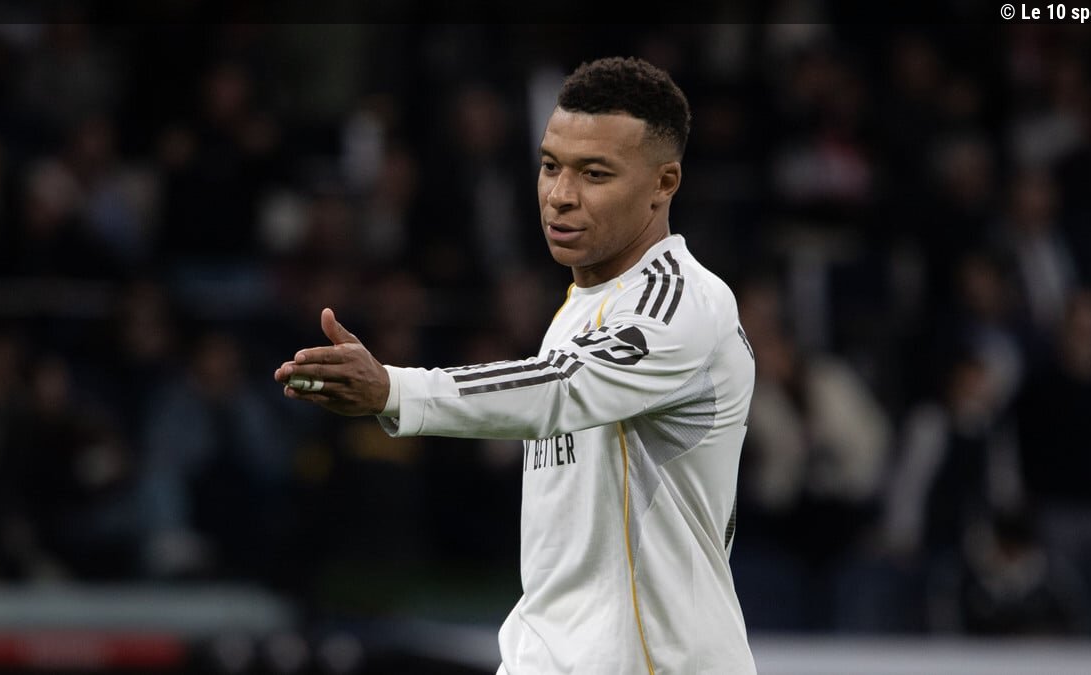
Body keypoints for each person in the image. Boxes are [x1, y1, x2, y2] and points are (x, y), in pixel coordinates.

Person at [275, 57, 757, 674]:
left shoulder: (682, 302)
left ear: (664, 183)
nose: (560, 196)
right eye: (551, 166)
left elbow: (560, 389)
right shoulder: (577, 313)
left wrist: (393, 389)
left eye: (595, 173)